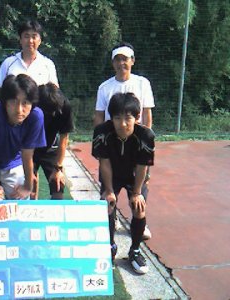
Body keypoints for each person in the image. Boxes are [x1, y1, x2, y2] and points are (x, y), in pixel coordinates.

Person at [93, 42, 155, 239]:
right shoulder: (105, 87)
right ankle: (111, 226)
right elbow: (99, 116)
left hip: (135, 145)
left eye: (125, 59)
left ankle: (137, 231)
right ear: (113, 63)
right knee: (108, 197)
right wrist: (100, 142)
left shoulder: (142, 83)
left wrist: (145, 141)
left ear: (132, 61)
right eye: (118, 59)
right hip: (111, 145)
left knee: (138, 197)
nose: (122, 63)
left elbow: (146, 114)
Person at [92, 92, 155, 275]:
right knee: (107, 205)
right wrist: (109, 190)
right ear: (111, 118)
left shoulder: (146, 135)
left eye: (128, 118)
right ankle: (109, 247)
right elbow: (104, 162)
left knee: (139, 207)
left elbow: (142, 167)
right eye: (117, 118)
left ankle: (135, 250)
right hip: (112, 172)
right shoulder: (102, 132)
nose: (123, 123)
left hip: (134, 175)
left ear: (137, 117)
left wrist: (136, 192)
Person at [0, 74, 46, 200]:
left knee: (19, 199)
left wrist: (28, 186)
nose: (19, 110)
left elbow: (27, 154)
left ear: (32, 104)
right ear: (5, 102)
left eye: (25, 103)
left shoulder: (36, 116)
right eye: (13, 102)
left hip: (12, 161)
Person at [32, 83, 74, 199]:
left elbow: (64, 138)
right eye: (50, 112)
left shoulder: (65, 107)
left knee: (58, 185)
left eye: (56, 111)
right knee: (28, 187)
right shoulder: (32, 105)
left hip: (50, 147)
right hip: (29, 147)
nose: (54, 114)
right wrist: (28, 170)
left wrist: (58, 169)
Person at [0, 20, 59, 96]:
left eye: (34, 37)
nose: (30, 41)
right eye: (26, 36)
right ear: (20, 40)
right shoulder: (8, 63)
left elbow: (54, 91)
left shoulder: (48, 64)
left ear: (40, 41)